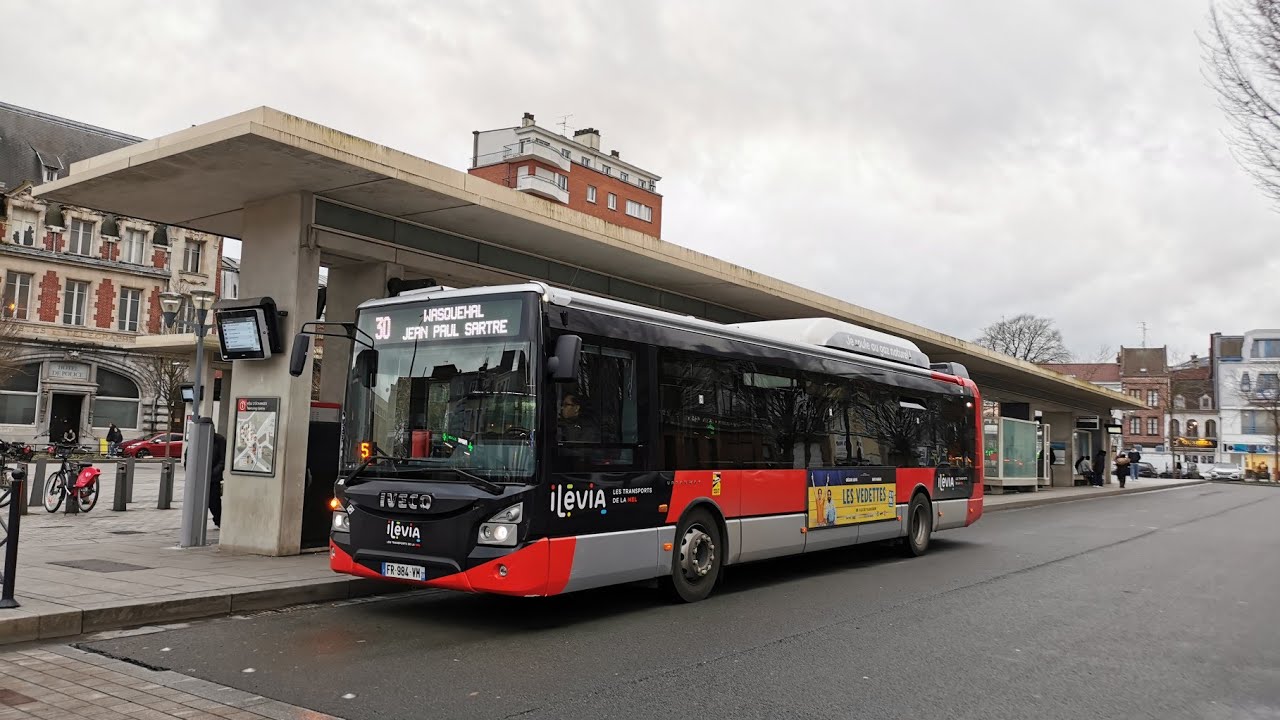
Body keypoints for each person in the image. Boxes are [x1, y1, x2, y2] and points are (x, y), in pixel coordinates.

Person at [208, 431, 227, 528]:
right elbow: (188, 455)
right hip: (199, 477)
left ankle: (218, 519)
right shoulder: (197, 437)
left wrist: (214, 472)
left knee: (214, 501)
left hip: (213, 478)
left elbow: (223, 459)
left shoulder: (219, 440)